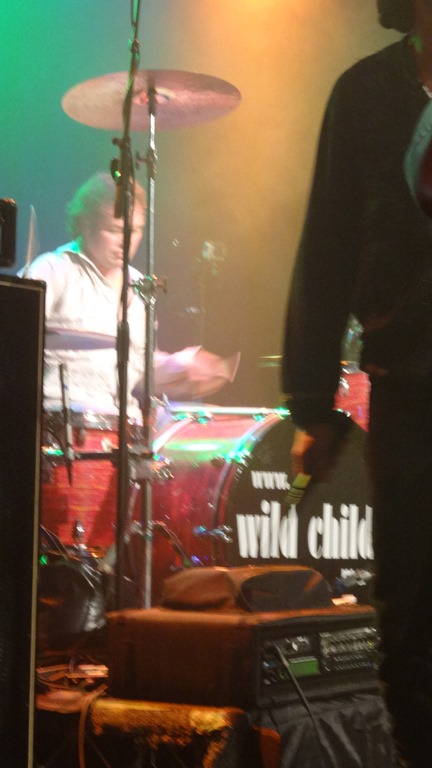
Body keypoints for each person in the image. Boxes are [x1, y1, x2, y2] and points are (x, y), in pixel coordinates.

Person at [281, 2, 432, 766]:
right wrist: (312, 402)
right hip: (409, 385)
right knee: (408, 616)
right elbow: (330, 241)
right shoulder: (367, 93)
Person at [21, 172, 239, 548]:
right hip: (58, 436)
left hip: (125, 440)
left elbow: (137, 372)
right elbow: (13, 337)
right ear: (85, 223)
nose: (127, 242)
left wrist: (180, 372)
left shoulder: (140, 287)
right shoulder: (52, 270)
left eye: (136, 231)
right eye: (113, 230)